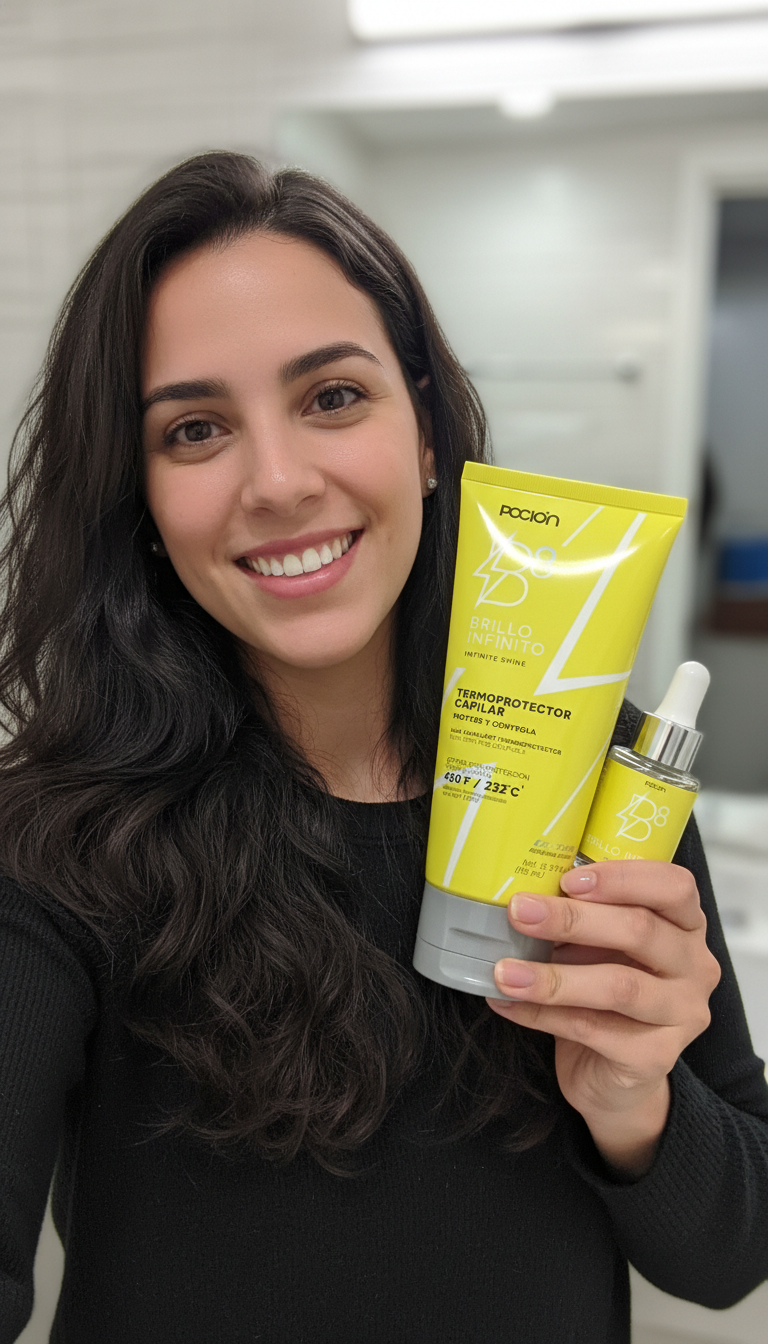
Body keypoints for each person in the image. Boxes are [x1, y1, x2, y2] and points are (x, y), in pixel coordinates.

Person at [0, 151, 765, 1344]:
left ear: (423, 432)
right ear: (137, 498)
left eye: (333, 398)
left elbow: (730, 1261)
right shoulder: (51, 847)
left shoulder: (593, 773)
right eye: (196, 429)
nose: (280, 480)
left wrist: (635, 1100)